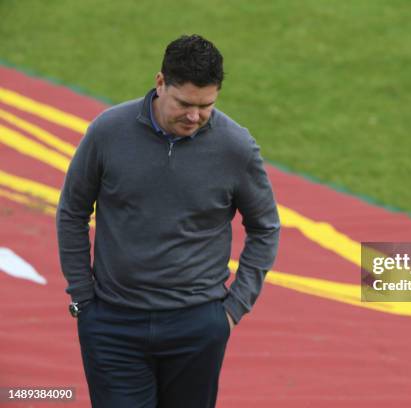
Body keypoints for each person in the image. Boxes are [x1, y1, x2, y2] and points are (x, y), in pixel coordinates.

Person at [56, 34, 280, 408]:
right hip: (113, 325)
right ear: (160, 83)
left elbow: (265, 226)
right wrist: (83, 297)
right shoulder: (107, 132)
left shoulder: (236, 147)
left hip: (197, 327)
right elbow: (72, 212)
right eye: (185, 104)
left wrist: (233, 309)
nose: (194, 117)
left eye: (206, 105)